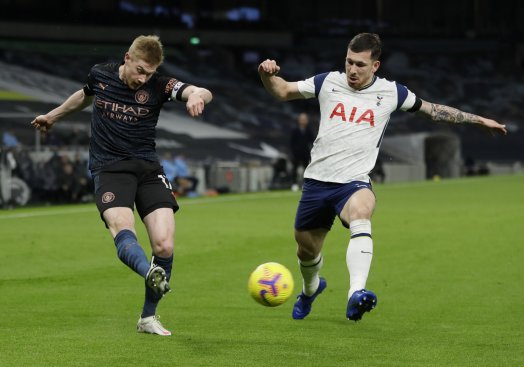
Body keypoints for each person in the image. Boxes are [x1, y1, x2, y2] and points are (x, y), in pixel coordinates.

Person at [258, 33, 507, 322]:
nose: (352, 70)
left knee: (362, 211)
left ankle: (356, 293)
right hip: (317, 181)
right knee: (306, 251)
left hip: (353, 182)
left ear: (375, 66)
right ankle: (310, 290)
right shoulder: (327, 81)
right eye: (349, 62)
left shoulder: (393, 93)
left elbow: (433, 111)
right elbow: (283, 90)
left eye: (360, 65)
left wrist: (478, 120)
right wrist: (265, 75)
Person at [31, 35, 213, 335]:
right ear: (127, 58)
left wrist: (196, 96)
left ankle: (148, 317)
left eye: (150, 73)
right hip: (110, 168)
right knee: (122, 227)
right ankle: (149, 271)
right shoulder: (100, 74)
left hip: (147, 168)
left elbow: (199, 90)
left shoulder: (158, 85)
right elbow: (85, 95)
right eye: (140, 70)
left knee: (164, 244)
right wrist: (52, 116)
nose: (144, 78)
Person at [289, 112, 315, 190]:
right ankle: (294, 184)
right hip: (296, 154)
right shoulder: (295, 130)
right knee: (294, 169)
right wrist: (293, 152)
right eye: (302, 119)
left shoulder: (309, 131)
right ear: (299, 120)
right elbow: (292, 142)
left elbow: (312, 142)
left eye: (305, 119)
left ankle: (305, 184)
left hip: (306, 153)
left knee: (306, 170)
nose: (303, 121)